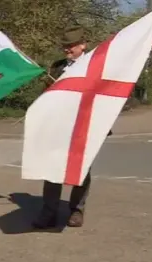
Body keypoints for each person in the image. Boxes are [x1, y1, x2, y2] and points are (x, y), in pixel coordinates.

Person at [32, 25, 94, 229]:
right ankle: (49, 212)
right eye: (64, 46)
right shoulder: (57, 67)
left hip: (85, 124)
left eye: (71, 46)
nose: (67, 50)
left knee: (81, 169)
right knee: (52, 168)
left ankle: (77, 210)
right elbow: (47, 96)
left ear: (82, 45)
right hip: (58, 125)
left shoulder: (94, 64)